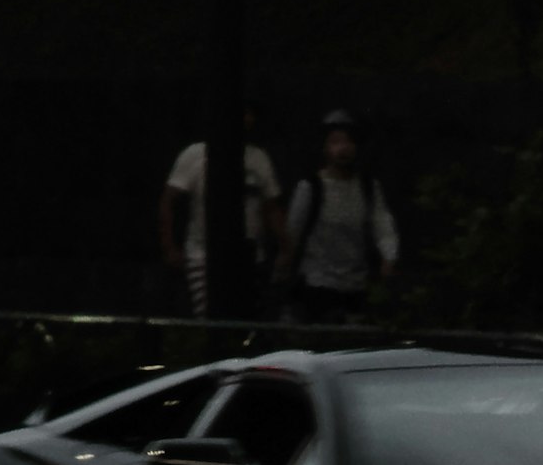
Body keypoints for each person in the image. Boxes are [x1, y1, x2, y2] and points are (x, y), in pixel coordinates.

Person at [158, 110, 284, 319]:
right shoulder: (196, 154)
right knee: (208, 317)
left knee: (246, 317)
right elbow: (168, 201)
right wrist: (169, 246)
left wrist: (285, 248)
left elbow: (272, 207)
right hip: (202, 254)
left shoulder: (258, 158)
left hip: (250, 256)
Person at [278, 111, 400, 325]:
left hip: (356, 284)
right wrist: (282, 274)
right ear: (325, 148)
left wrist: (389, 257)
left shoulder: (368, 188)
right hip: (318, 283)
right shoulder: (311, 188)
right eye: (335, 142)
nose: (343, 148)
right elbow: (293, 233)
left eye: (348, 142)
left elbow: (383, 225)